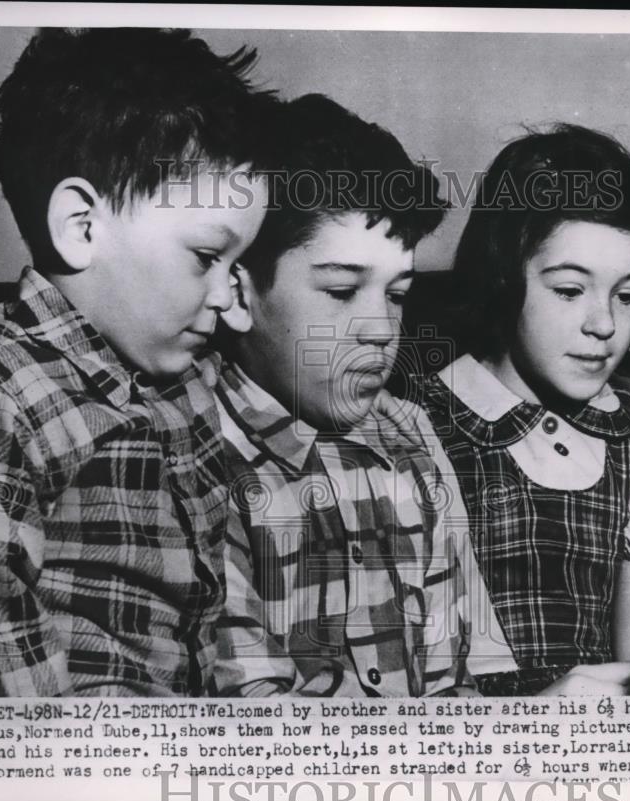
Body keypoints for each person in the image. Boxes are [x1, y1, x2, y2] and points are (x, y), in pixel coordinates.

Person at [0, 27, 271, 724]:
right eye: (206, 256)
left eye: (239, 267)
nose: (230, 300)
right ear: (82, 227)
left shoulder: (185, 377)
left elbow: (219, 616)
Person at [212, 94, 509, 697]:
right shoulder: (197, 457)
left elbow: (454, 687)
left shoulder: (412, 438)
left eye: (396, 295)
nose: (380, 328)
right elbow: (248, 730)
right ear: (239, 297)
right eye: (343, 291)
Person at [418, 124, 630, 695]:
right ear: (503, 278)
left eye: (626, 295)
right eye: (570, 290)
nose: (604, 325)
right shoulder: (412, 428)